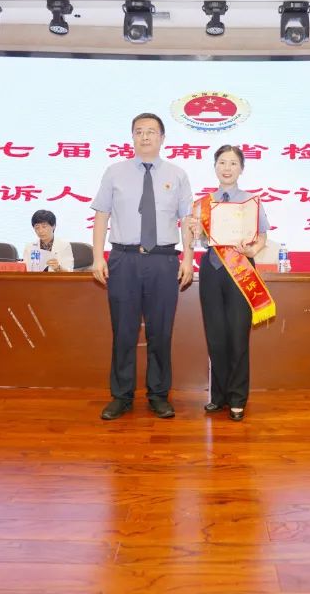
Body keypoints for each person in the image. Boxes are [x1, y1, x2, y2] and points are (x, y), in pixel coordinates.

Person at [91, 113, 194, 421]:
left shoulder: (177, 174)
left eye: (151, 131)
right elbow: (101, 215)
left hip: (164, 260)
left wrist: (189, 259)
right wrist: (98, 257)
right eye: (139, 131)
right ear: (132, 137)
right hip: (124, 259)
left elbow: (187, 220)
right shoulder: (114, 172)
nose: (145, 136)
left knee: (161, 332)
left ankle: (158, 395)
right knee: (123, 330)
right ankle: (121, 396)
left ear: (162, 138)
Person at [189, 145, 272, 421]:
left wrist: (253, 249)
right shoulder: (202, 204)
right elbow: (199, 240)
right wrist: (194, 230)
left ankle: (237, 397)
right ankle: (219, 396)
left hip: (241, 270)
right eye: (222, 162)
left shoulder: (251, 202)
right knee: (216, 335)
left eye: (233, 163)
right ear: (215, 167)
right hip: (212, 270)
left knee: (238, 335)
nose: (227, 168)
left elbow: (262, 236)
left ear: (241, 168)